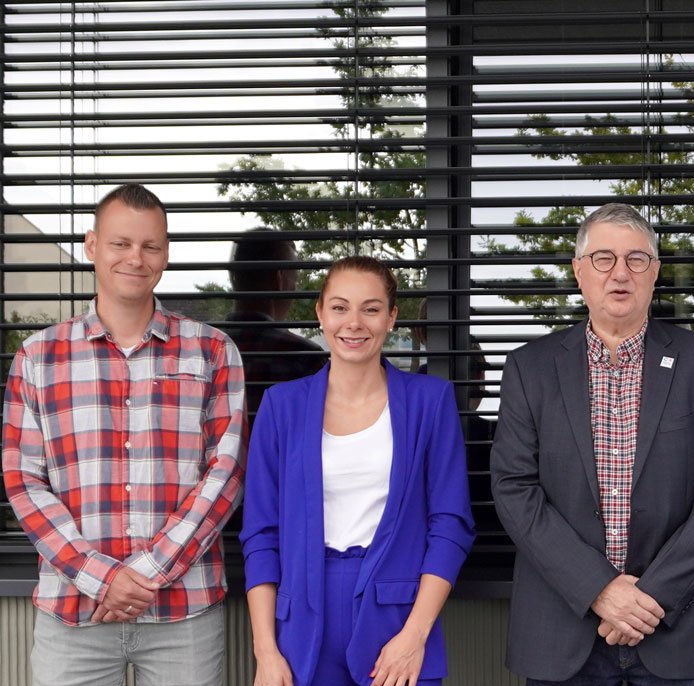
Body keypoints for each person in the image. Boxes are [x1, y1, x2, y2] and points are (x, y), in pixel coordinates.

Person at [490, 202, 694, 684]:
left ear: (655, 273)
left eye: (636, 259)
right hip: (562, 634)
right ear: (578, 272)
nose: (619, 273)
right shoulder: (531, 368)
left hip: (678, 629)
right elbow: (514, 490)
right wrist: (600, 589)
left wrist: (649, 597)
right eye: (603, 258)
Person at [1, 183, 245, 685]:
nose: (136, 258)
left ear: (166, 254)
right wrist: (103, 576)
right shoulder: (38, 357)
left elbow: (226, 470)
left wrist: (146, 574)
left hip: (186, 613)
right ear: (92, 246)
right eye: (120, 243)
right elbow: (22, 479)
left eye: (150, 246)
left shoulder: (212, 351)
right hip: (73, 613)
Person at [240, 255, 476, 686]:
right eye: (340, 307)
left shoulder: (430, 402)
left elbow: (450, 526)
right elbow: (261, 535)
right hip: (302, 632)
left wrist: (414, 635)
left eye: (370, 308)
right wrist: (266, 649)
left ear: (391, 318)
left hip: (398, 625)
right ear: (319, 314)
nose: (354, 322)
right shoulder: (281, 406)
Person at [218, 227, 324, 419]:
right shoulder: (304, 360)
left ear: (234, 276)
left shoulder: (202, 352)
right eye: (294, 279)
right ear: (280, 280)